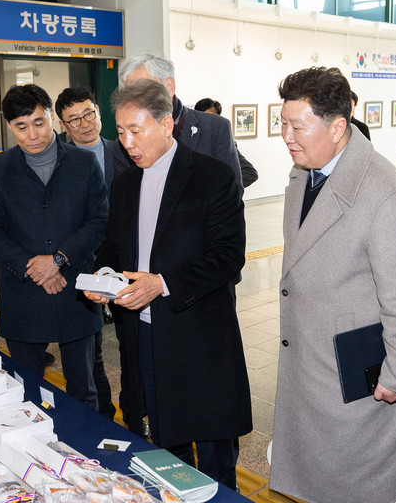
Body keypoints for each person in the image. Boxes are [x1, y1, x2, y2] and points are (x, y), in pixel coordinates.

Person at [270, 67, 396, 503]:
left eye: (297, 127)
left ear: (337, 127)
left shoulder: (390, 196)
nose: (286, 137)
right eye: (282, 124)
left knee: (356, 483)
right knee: (314, 479)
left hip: (358, 377)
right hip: (310, 359)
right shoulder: (303, 174)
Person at [86, 79, 251, 490]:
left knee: (213, 454)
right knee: (163, 447)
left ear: (165, 124)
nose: (127, 143)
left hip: (198, 337)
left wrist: (163, 283)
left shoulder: (212, 176)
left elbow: (228, 256)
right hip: (142, 335)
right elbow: (112, 246)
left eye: (136, 130)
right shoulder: (125, 184)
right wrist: (105, 276)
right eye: (120, 132)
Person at [0, 84, 108, 410]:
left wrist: (59, 259)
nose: (32, 134)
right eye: (21, 126)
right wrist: (33, 267)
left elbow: (98, 222)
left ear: (51, 116)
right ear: (9, 126)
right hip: (23, 294)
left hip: (75, 289)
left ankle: (87, 445)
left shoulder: (83, 163)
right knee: (26, 392)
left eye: (39, 122)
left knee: (83, 391)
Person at [55, 86, 131, 423]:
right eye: (73, 119)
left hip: (126, 259)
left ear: (99, 112)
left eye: (88, 114)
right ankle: (103, 415)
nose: (84, 123)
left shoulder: (125, 150)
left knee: (131, 343)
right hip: (82, 260)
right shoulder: (57, 162)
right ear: (62, 126)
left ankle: (134, 414)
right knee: (91, 348)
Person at [119, 54, 243, 194]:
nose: (134, 99)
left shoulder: (214, 127)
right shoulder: (127, 138)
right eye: (129, 92)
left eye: (141, 89)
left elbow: (233, 190)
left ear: (169, 86)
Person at [194, 97, 259, 187]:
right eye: (203, 117)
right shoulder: (189, 141)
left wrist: (223, 188)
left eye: (212, 117)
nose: (207, 121)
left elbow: (250, 173)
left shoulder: (225, 144)